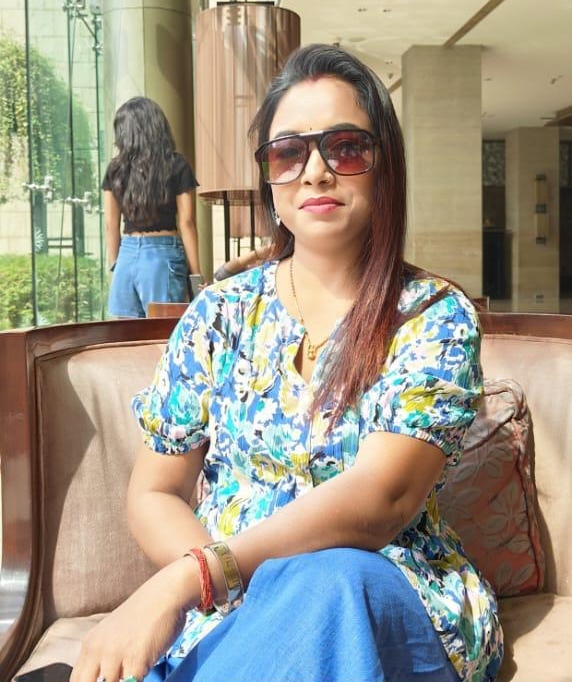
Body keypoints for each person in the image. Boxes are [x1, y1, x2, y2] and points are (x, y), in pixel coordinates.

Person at [72, 44, 503, 682]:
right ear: (270, 180)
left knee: (332, 580)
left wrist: (193, 579)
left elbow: (383, 496)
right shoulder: (219, 314)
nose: (317, 171)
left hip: (388, 594)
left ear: (385, 167)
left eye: (346, 148)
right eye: (289, 152)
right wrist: (226, 589)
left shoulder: (432, 316)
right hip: (235, 613)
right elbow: (155, 489)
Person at [102, 96, 202, 318]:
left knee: (127, 335)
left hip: (125, 258)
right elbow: (187, 222)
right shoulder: (176, 165)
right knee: (164, 332)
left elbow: (111, 225)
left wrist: (116, 266)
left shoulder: (115, 169)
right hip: (162, 257)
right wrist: (196, 277)